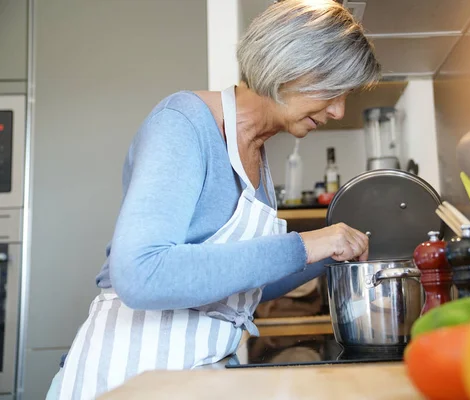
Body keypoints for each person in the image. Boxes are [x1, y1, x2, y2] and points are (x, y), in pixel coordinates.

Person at [46, 0, 380, 398]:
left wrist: (326, 256)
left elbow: (236, 286)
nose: (340, 110)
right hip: (130, 375)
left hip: (194, 376)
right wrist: (306, 244)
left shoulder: (257, 152)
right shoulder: (184, 122)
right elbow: (142, 274)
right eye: (334, 89)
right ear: (291, 63)